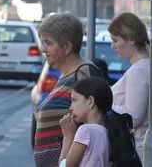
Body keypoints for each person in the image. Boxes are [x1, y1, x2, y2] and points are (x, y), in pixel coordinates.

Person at [33, 12, 105, 167]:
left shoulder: (84, 73)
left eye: (48, 42)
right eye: (42, 42)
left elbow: (98, 121)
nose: (43, 49)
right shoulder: (67, 75)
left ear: (66, 47)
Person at [108, 12, 150, 155]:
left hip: (138, 151)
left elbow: (133, 117)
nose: (112, 46)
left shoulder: (138, 71)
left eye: (115, 40)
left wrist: (103, 105)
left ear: (131, 39)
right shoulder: (147, 67)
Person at [59, 77, 113, 167]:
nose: (71, 107)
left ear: (90, 101)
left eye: (74, 100)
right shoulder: (107, 130)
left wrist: (68, 137)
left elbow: (65, 166)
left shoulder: (85, 130)